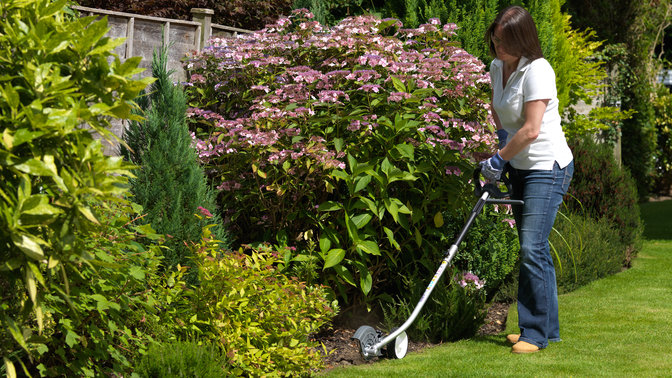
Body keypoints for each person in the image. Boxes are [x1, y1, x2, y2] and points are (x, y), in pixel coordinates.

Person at [479, 5, 574, 354]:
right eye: (495, 38)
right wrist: (503, 141)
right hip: (519, 165)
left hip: (547, 167)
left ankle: (533, 334)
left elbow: (532, 130)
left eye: (505, 41)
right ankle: (547, 329)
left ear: (523, 39)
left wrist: (497, 159)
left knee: (530, 247)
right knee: (535, 250)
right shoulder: (496, 67)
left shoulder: (538, 70)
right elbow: (498, 108)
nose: (498, 45)